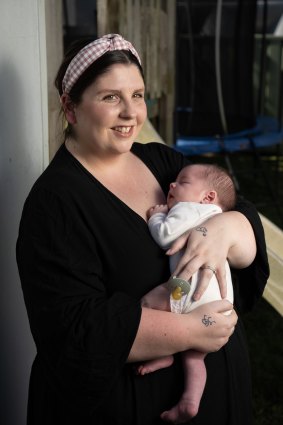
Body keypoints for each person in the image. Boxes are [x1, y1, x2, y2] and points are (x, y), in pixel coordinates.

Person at [16, 34, 269, 425]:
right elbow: (75, 332)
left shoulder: (162, 162)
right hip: (134, 409)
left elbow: (239, 212)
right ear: (71, 108)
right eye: (110, 97)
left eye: (137, 95)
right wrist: (190, 331)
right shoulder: (55, 204)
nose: (131, 113)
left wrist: (224, 227)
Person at [138, 163, 236, 423]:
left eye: (182, 182)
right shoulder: (217, 218)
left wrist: (157, 215)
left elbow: (166, 236)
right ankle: (190, 401)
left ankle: (163, 351)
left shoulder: (189, 209)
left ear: (208, 196)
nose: (172, 185)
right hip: (218, 301)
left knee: (148, 302)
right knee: (195, 358)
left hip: (186, 288)